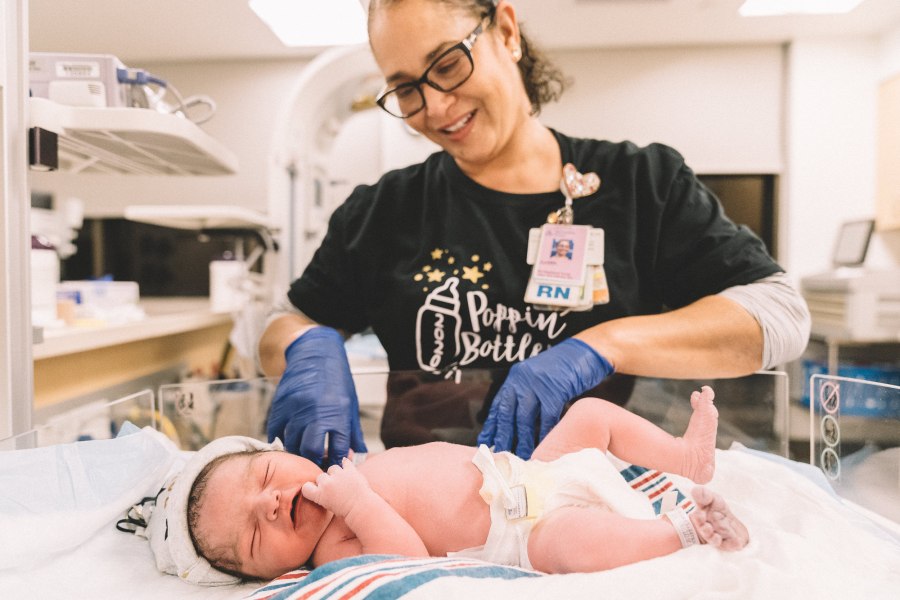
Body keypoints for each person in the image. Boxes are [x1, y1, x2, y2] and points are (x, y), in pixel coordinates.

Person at [258, 0, 811, 464]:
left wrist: (601, 346)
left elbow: (779, 315)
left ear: (505, 31)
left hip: (597, 508)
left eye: (447, 65)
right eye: (405, 90)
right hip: (433, 513)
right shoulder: (385, 210)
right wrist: (305, 346)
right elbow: (281, 326)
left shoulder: (642, 184)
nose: (434, 106)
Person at [145, 386, 749, 584]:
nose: (272, 503)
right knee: (577, 547)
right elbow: (407, 560)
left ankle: (685, 458)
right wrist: (357, 501)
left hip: (532, 471)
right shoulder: (334, 548)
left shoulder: (346, 469)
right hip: (524, 532)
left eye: (267, 477)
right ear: (271, 575)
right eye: (256, 533)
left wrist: (358, 478)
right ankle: (681, 531)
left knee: (591, 414)